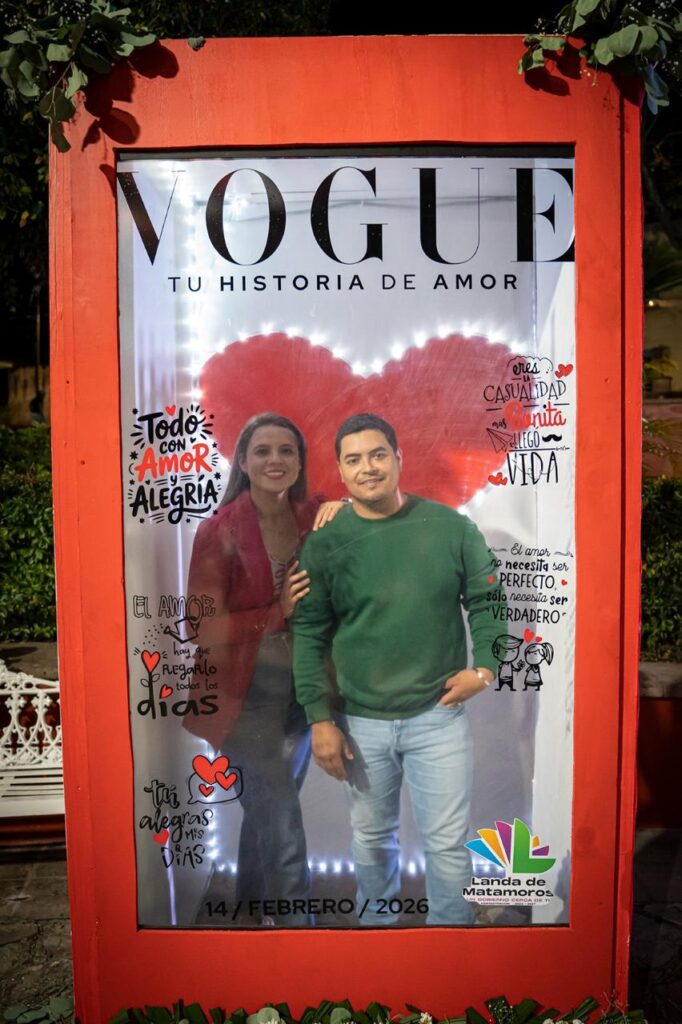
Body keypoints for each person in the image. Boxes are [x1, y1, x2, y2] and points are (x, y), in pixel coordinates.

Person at [287, 412, 502, 927]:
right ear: (341, 471)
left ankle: (449, 940)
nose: (368, 468)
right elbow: (309, 633)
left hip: (438, 718)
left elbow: (488, 601)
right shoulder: (325, 543)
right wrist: (319, 718)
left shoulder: (451, 527)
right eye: (354, 460)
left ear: (399, 458)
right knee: (371, 839)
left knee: (447, 844)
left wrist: (485, 669)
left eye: (378, 454)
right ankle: (377, 939)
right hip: (360, 723)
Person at [186, 412, 342, 927]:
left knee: (268, 811)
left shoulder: (314, 515)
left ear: (300, 461)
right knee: (282, 820)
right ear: (243, 461)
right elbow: (200, 628)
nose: (276, 459)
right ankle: (300, 935)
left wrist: (344, 506)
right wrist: (277, 611)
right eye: (263, 450)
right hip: (242, 697)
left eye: (286, 450)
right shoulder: (218, 531)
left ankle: (253, 915)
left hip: (302, 692)